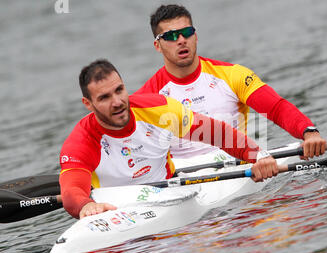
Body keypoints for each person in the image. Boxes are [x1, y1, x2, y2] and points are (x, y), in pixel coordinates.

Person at [60, 59, 279, 219]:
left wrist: (257, 155)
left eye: (119, 90)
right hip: (118, 209)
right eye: (105, 97)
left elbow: (218, 134)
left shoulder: (157, 108)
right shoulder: (81, 141)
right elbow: (71, 191)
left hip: (169, 193)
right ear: (88, 104)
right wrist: (84, 206)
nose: (117, 102)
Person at [135, 4, 327, 160]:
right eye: (171, 36)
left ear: (196, 36)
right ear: (157, 46)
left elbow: (276, 108)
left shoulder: (232, 75)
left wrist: (309, 133)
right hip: (183, 179)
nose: (181, 40)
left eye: (187, 32)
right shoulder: (147, 97)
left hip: (239, 162)